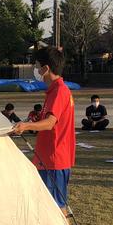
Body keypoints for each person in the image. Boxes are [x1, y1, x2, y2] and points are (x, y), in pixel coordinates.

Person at [12, 47, 75, 215]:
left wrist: (26, 126)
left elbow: (49, 123)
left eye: (37, 66)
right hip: (47, 158)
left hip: (54, 159)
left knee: (56, 209)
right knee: (48, 207)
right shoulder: (53, 91)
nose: (36, 70)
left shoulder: (60, 91)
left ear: (46, 68)